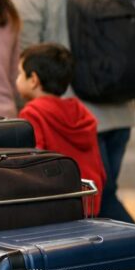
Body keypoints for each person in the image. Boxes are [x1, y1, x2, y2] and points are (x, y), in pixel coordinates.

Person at [9, 0, 135, 223]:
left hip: (69, 120)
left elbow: (24, 59)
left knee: (95, 204)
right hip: (119, 112)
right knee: (101, 200)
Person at [16, 43, 105, 214]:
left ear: (33, 80)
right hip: (90, 199)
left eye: (20, 73)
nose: (16, 79)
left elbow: (32, 166)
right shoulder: (80, 111)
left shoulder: (33, 113)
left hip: (57, 205)